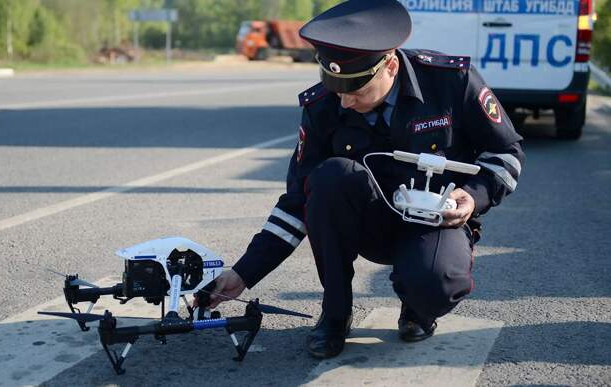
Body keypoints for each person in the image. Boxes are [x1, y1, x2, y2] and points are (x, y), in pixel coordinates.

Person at [196, 0, 524, 359]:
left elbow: (506, 154)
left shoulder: (449, 82)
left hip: (435, 221)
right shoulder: (324, 105)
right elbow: (297, 202)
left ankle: (417, 307)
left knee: (434, 287)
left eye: (356, 91)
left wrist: (473, 196)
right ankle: (335, 314)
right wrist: (243, 274)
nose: (346, 102)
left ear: (391, 66)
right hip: (369, 224)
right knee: (330, 176)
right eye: (338, 90)